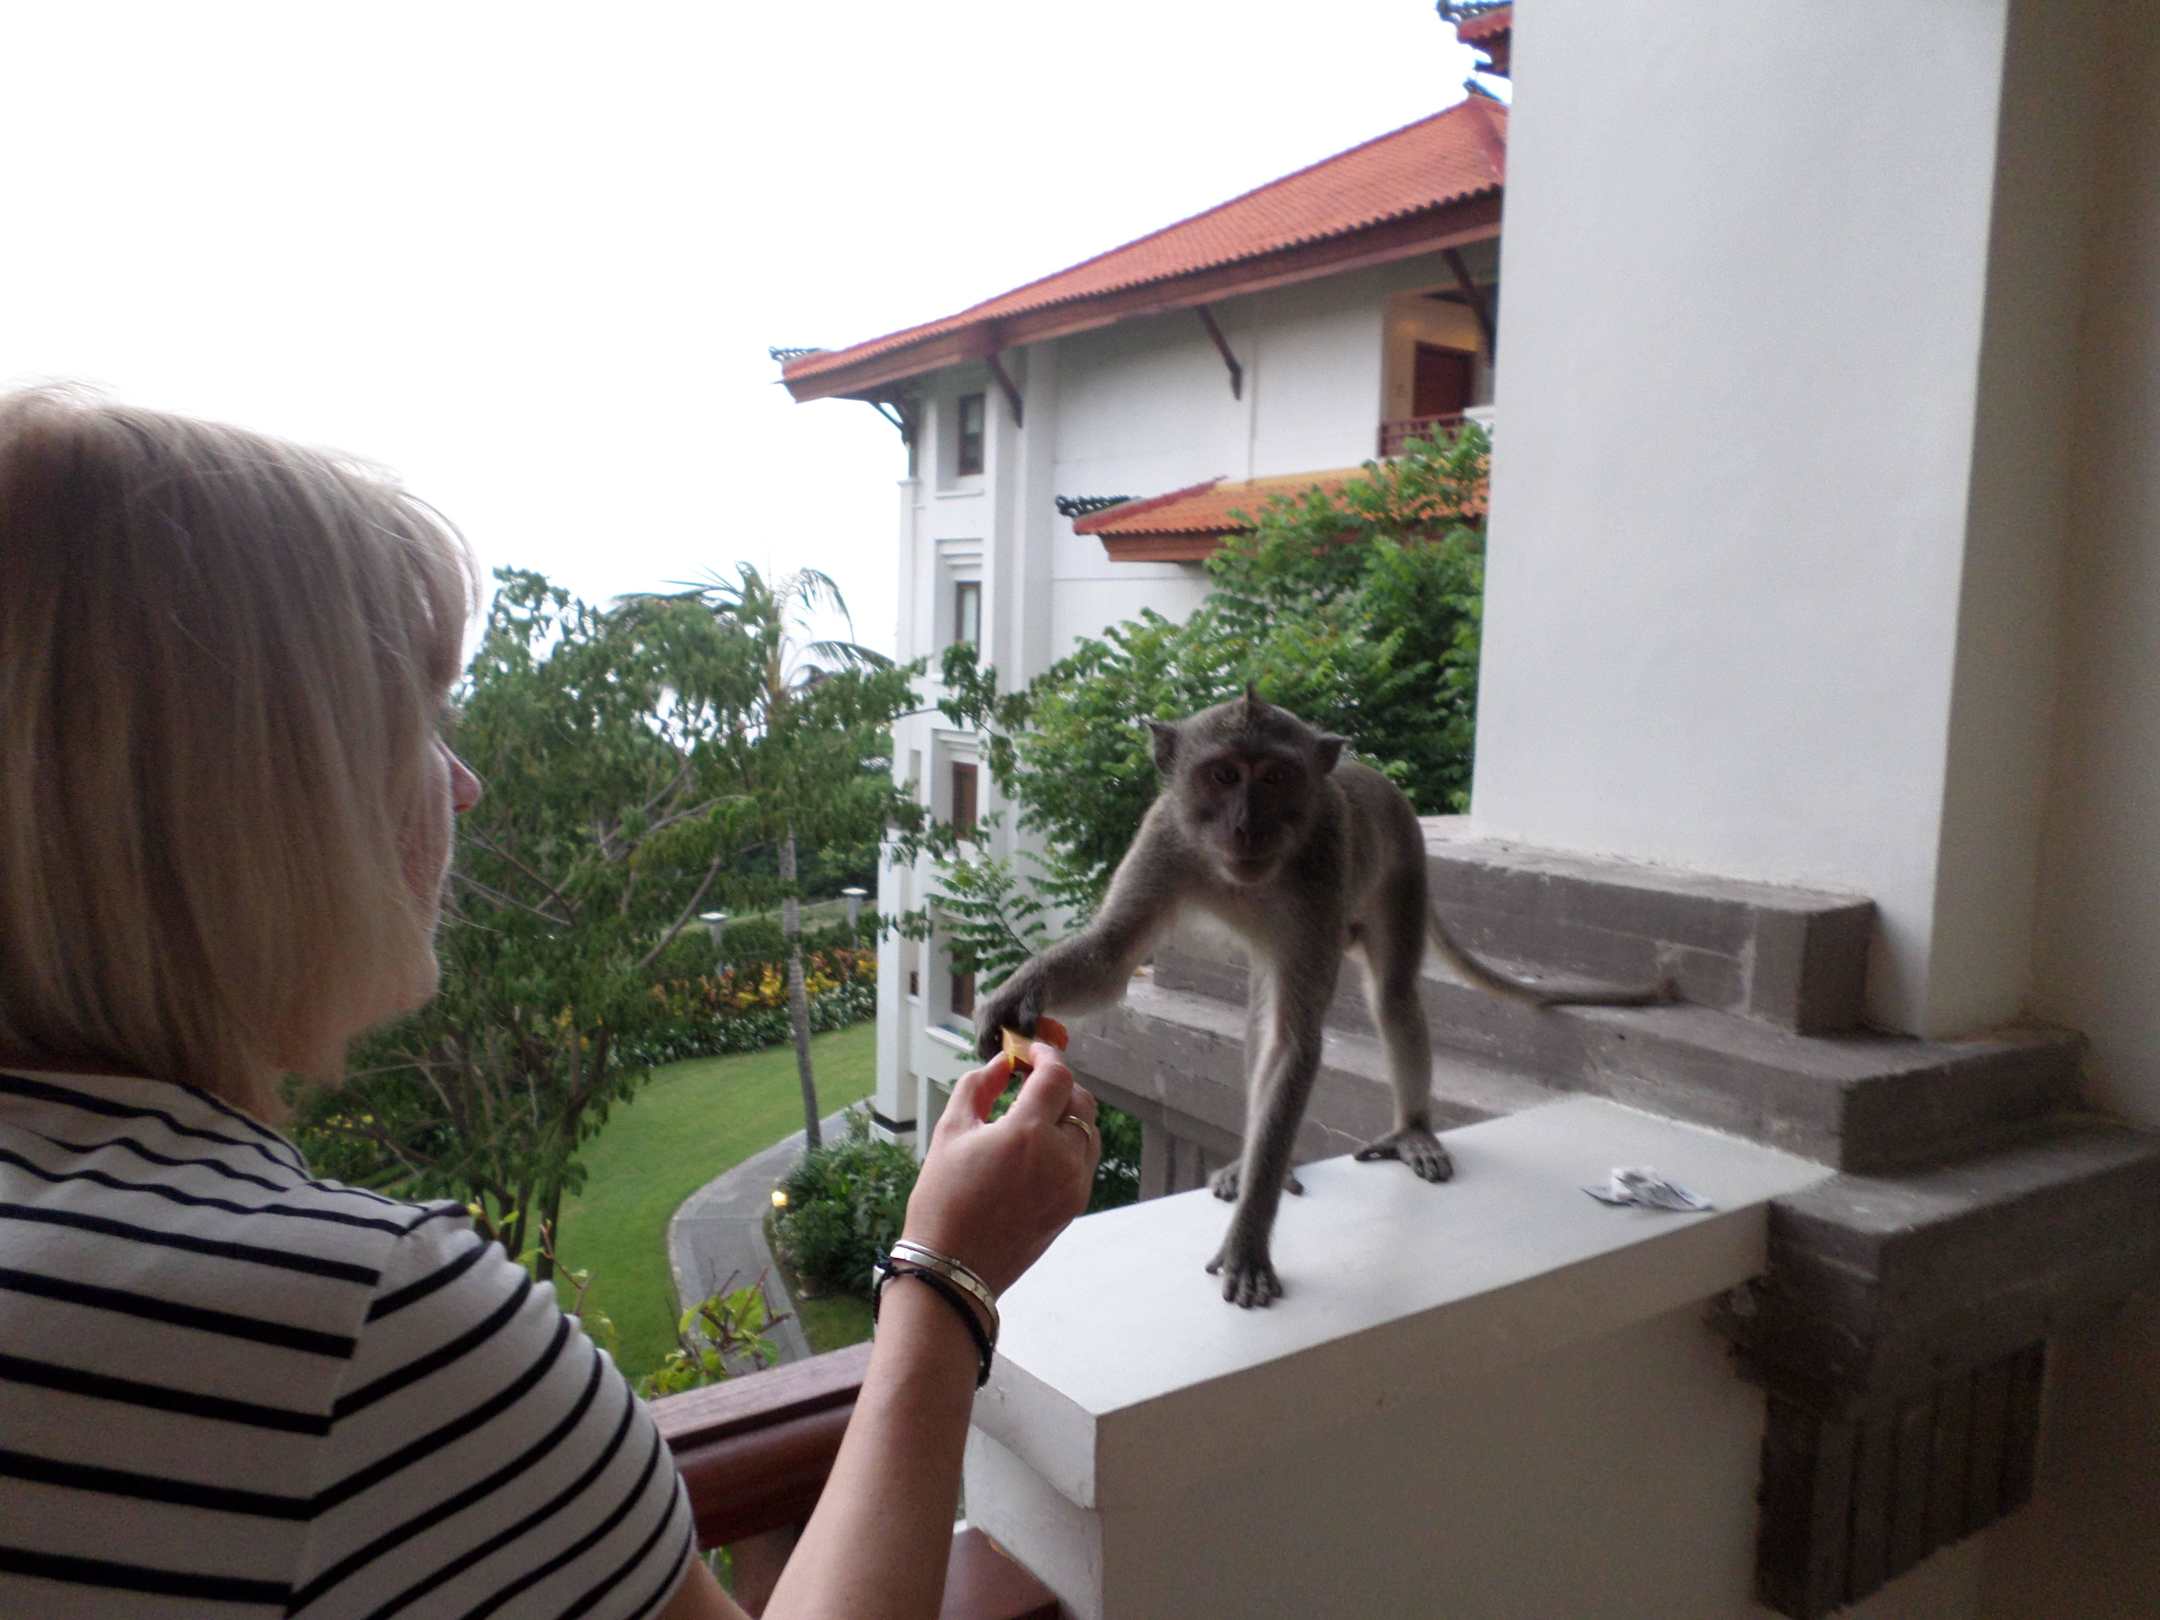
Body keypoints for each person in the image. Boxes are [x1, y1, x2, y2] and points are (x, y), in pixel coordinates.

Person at [0, 388, 1098, 1620]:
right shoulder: (357, 1330)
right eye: (413, 725)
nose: (462, 785)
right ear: (260, 804)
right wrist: (945, 1274)